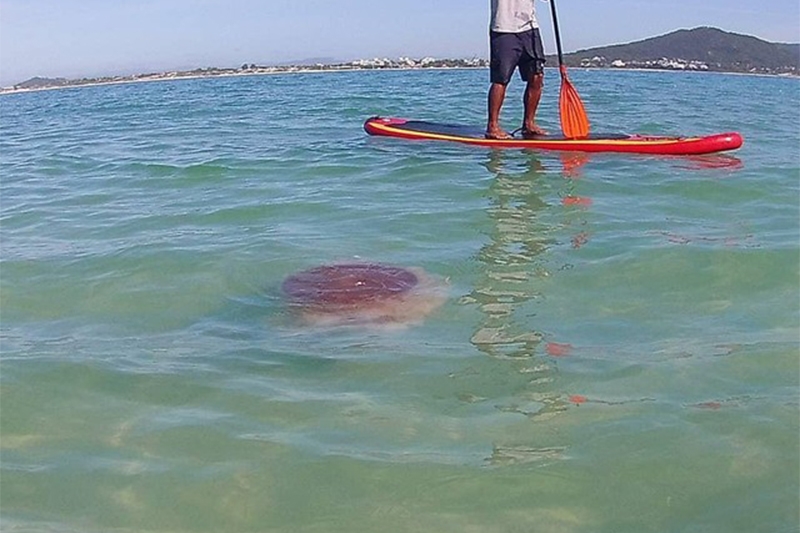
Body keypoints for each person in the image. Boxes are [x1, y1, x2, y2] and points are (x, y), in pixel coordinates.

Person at [486, 0, 548, 140]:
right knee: (501, 79)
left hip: (529, 28)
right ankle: (492, 126)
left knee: (537, 75)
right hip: (503, 29)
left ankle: (529, 124)